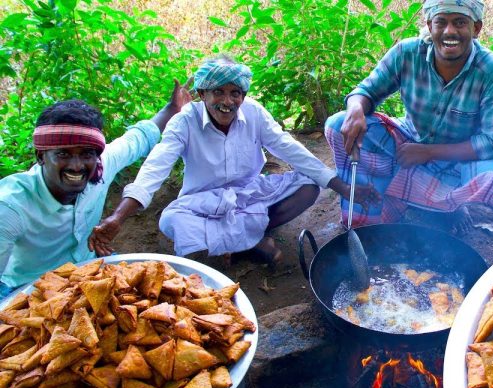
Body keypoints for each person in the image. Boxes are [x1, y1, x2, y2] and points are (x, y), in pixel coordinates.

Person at [92, 56, 366, 266]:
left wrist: (340, 186)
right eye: (218, 93)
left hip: (249, 194)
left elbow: (287, 148)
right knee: (171, 220)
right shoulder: (184, 122)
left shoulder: (254, 113)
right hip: (204, 201)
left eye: (235, 93)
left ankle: (242, 241)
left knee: (309, 186)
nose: (227, 101)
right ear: (202, 95)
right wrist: (118, 217)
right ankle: (249, 242)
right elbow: (155, 167)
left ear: (243, 96)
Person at [324, 0, 493, 233]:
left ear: (476, 28)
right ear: (429, 25)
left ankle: (447, 206)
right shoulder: (407, 52)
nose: (449, 31)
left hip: (458, 159)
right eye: (441, 22)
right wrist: (355, 109)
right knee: (336, 125)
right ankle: (389, 197)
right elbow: (366, 91)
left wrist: (428, 152)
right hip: (407, 146)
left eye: (460, 23)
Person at [0, 80, 191, 299]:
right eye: (63, 154)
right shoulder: (10, 205)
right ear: (41, 156)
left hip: (89, 269)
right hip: (29, 287)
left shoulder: (101, 165)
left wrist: (173, 108)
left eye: (86, 154)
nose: (77, 165)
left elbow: (138, 137)